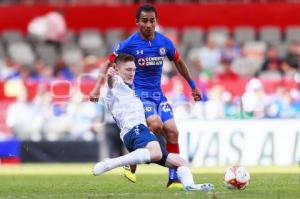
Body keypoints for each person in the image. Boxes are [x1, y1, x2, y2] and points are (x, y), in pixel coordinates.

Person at [90, 4, 202, 189]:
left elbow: (179, 62)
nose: (149, 25)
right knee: (156, 124)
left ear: (156, 22)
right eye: (144, 21)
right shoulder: (130, 43)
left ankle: (173, 177)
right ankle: (132, 161)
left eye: (152, 21)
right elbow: (108, 63)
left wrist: (193, 86)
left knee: (173, 130)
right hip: (140, 95)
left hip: (158, 95)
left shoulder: (164, 42)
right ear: (137, 22)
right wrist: (96, 88)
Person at [92, 53, 214, 192]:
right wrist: (109, 75)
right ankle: (111, 163)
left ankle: (190, 185)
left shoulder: (131, 88)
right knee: (155, 152)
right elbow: (111, 82)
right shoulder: (115, 85)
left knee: (180, 162)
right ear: (117, 69)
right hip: (133, 130)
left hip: (141, 130)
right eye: (128, 70)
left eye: (133, 70)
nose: (132, 73)